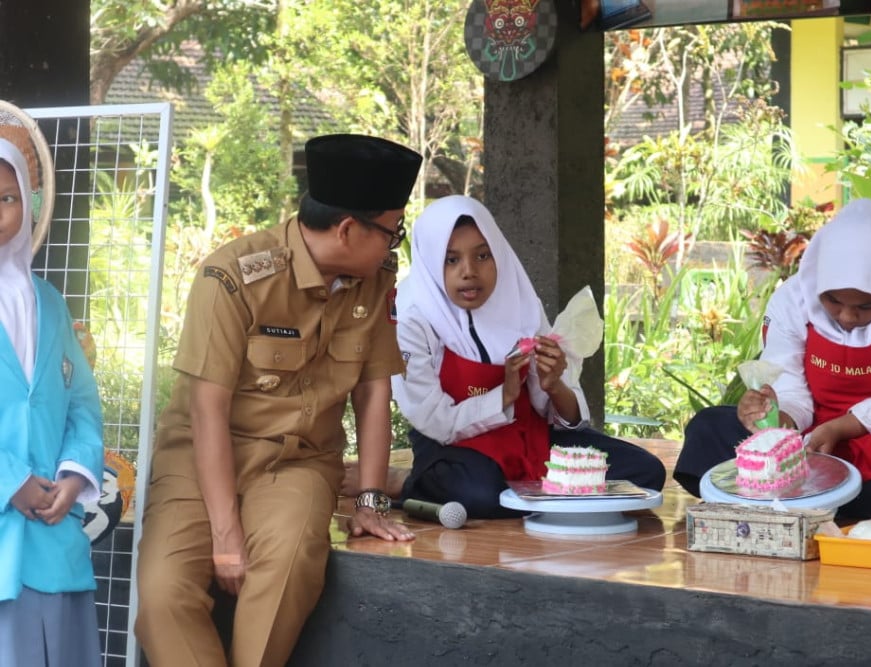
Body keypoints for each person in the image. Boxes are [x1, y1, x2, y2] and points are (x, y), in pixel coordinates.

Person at [135, 134, 422, 667]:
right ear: (347, 229)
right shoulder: (232, 277)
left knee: (288, 566)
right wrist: (225, 534)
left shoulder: (374, 282)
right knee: (161, 594)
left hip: (297, 464)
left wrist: (371, 500)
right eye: (392, 231)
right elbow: (207, 412)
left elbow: (373, 390)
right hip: (198, 459)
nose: (394, 246)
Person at [673, 198, 871, 520]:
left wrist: (843, 428)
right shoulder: (794, 296)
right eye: (832, 300)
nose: (846, 317)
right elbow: (786, 377)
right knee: (709, 428)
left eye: (867, 306)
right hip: (808, 437)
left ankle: (790, 500)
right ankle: (844, 501)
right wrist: (778, 418)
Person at [390, 195, 666, 518]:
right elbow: (434, 420)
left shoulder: (519, 300)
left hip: (530, 441)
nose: (469, 272)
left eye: (482, 255)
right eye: (451, 260)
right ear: (430, 262)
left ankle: (525, 491)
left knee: (645, 474)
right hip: (455, 448)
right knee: (481, 493)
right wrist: (503, 396)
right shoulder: (411, 317)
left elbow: (557, 414)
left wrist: (553, 386)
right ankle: (409, 482)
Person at [0, 135, 104, 666]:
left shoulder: (50, 303)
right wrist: (10, 481)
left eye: (6, 198)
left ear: (27, 203)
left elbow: (82, 402)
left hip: (50, 540)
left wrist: (73, 476)